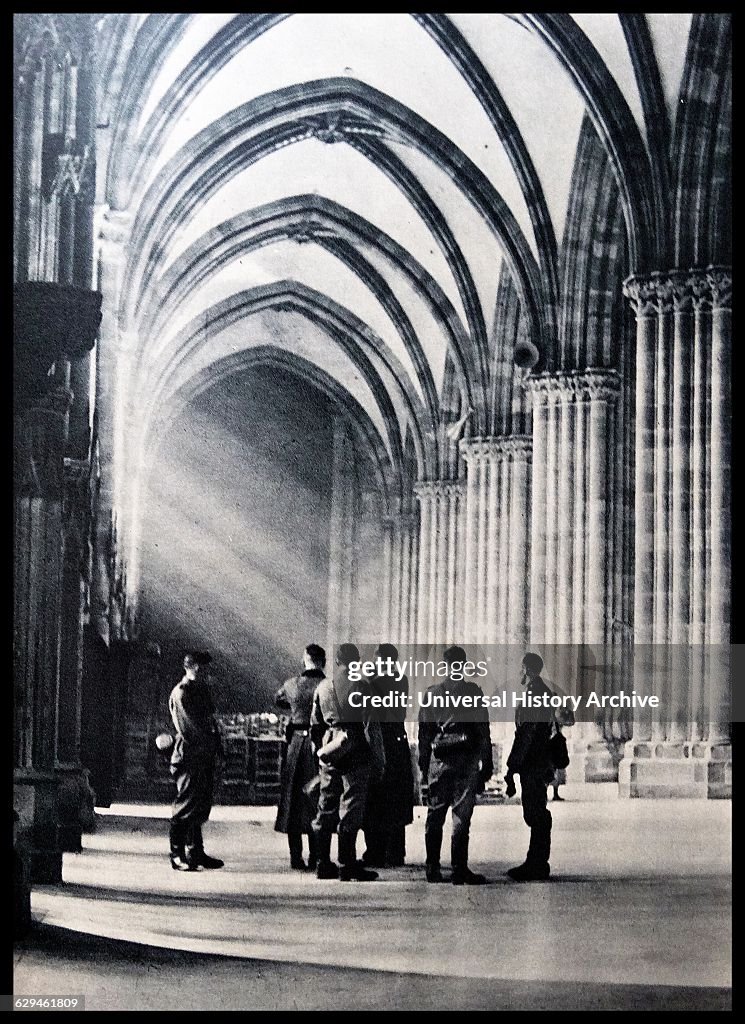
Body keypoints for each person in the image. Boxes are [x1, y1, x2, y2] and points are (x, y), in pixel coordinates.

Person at [418, 646, 493, 885]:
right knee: (461, 816)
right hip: (467, 760)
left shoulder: (431, 694)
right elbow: (483, 732)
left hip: (439, 761)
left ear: (445, 666)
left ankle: (432, 868)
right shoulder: (473, 692)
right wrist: (487, 764)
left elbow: (424, 735)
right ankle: (459, 869)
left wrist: (423, 766)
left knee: (435, 814)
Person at [310, 643, 386, 882]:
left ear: (336, 662)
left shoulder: (323, 687)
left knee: (326, 804)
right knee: (351, 808)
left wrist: (321, 751)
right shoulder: (362, 687)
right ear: (356, 662)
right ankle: (347, 864)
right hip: (356, 750)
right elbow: (372, 728)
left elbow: (315, 724)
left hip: (330, 748)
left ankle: (322, 862)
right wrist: (379, 760)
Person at [168, 651, 224, 871]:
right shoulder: (181, 693)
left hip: (203, 754)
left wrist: (216, 747)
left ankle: (195, 852)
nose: (206, 672)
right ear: (194, 668)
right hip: (190, 755)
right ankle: (176, 854)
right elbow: (190, 727)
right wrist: (209, 744)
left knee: (199, 804)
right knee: (185, 804)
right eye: (203, 667)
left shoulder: (200, 690)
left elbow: (210, 721)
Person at [362, 644, 415, 868]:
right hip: (398, 743)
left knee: (375, 798)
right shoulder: (401, 679)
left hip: (380, 743)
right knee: (396, 799)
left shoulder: (373, 683)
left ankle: (375, 851)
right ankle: (396, 851)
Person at [274, 644, 326, 870]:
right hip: (320, 743)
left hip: (296, 743)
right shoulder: (327, 685)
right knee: (317, 798)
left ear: (305, 660)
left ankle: (296, 856)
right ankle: (317, 856)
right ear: (322, 662)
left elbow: (279, 700)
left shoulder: (291, 684)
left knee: (292, 799)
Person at [504, 652, 554, 881]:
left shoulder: (537, 693)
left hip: (533, 762)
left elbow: (528, 734)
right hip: (535, 761)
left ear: (528, 670)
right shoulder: (537, 692)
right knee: (535, 811)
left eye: (521, 669)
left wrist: (514, 765)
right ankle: (536, 861)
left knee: (535, 812)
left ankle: (537, 863)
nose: (519, 673)